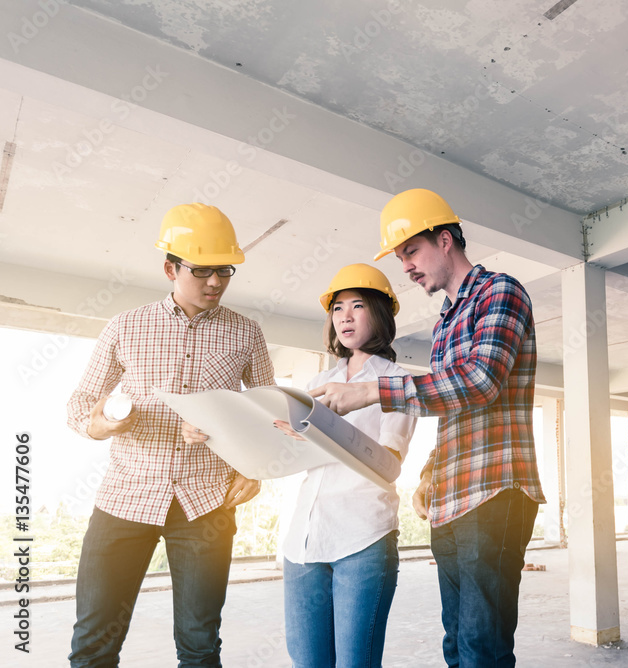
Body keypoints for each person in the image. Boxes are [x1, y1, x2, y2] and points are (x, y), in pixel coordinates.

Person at [313, 188, 545, 667]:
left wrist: (373, 392)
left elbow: (480, 383)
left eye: (411, 252)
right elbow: (452, 406)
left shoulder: (501, 291)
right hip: (453, 497)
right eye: (401, 258)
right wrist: (430, 474)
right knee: (456, 645)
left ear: (445, 241)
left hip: (496, 491)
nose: (407, 267)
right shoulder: (445, 322)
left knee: (484, 646)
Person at [66, 203, 275, 667]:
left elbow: (267, 415)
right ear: (170, 269)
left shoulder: (247, 333)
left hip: (206, 503)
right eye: (202, 270)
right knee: (94, 642)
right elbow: (80, 406)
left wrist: (254, 469)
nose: (216, 282)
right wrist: (102, 424)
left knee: (200, 646)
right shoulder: (125, 326)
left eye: (225, 270)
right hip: (126, 495)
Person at [277, 263, 416, 667]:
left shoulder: (396, 381)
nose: (346, 316)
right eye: (338, 308)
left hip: (362, 537)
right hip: (304, 541)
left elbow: (389, 464)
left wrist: (329, 430)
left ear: (380, 314)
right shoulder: (320, 380)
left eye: (358, 306)